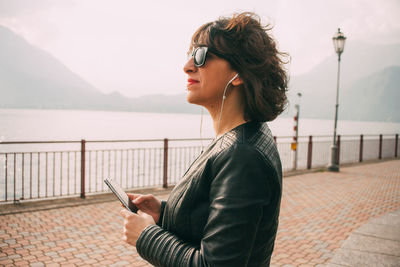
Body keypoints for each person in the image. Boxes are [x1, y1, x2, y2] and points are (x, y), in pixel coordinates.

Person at [120, 12, 288, 267]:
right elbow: (218, 224)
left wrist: (146, 236)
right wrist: (164, 213)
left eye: (201, 55)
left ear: (239, 73)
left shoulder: (242, 154)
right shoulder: (241, 137)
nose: (187, 65)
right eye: (190, 54)